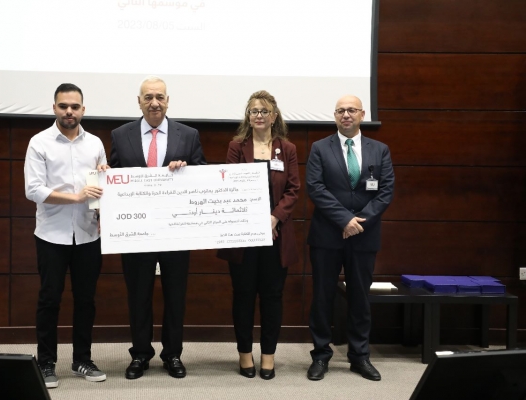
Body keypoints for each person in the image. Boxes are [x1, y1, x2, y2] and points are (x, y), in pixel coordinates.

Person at [110, 76, 206, 379]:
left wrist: (187, 170)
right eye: (148, 97)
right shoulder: (120, 135)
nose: (154, 103)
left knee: (175, 295)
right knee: (138, 295)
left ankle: (172, 354)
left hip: (175, 230)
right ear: (139, 102)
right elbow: (113, 177)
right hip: (136, 231)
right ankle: (140, 354)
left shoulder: (188, 135)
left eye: (160, 97)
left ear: (168, 101)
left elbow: (202, 174)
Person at [305, 95, 394, 382]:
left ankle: (359, 357)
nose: (346, 114)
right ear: (334, 116)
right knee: (323, 297)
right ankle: (321, 355)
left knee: (359, 298)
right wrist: (345, 219)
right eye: (341, 110)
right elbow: (315, 188)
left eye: (352, 110)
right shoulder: (320, 148)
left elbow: (385, 192)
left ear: (362, 114)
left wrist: (359, 222)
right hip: (327, 235)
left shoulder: (379, 150)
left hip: (364, 236)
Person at [24, 83, 108, 388]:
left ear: (83, 109)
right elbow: (33, 190)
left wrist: (105, 186)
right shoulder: (39, 142)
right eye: (63, 106)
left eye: (74, 106)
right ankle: (46, 363)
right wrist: (76, 197)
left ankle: (82, 360)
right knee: (50, 299)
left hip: (88, 234)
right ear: (54, 108)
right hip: (52, 235)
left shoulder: (95, 143)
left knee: (86, 300)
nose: (69, 111)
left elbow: (100, 187)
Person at [217, 90, 300, 380]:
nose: (259, 116)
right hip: (243, 235)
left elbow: (293, 190)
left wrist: (274, 218)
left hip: (276, 236)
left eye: (264, 111)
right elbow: (230, 185)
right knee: (243, 296)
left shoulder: (286, 149)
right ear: (248, 117)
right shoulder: (237, 147)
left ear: (274, 116)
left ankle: (268, 356)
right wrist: (254, 220)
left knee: (272, 296)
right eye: (254, 111)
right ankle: (244, 354)